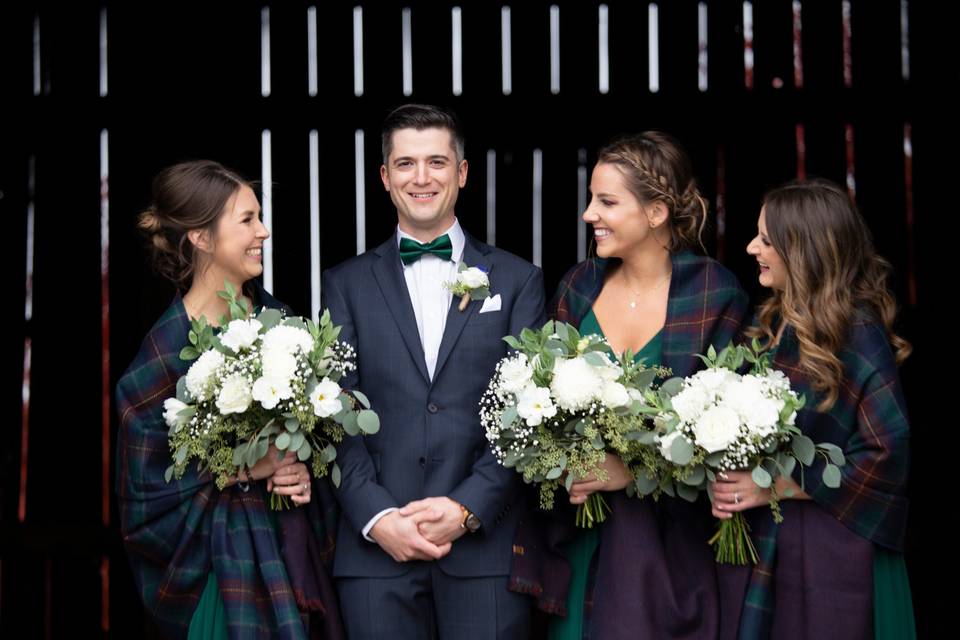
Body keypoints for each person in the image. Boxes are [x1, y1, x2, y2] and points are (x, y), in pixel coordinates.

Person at [509, 132, 749, 639]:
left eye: (607, 201)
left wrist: (631, 471)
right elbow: (539, 405)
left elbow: (732, 434)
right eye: (590, 199)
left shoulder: (715, 293)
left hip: (674, 553)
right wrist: (568, 464)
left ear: (657, 212)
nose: (589, 214)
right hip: (578, 545)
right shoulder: (578, 285)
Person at [321, 104, 544, 639]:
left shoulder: (518, 280)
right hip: (376, 557)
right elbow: (334, 410)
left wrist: (468, 507)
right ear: (385, 176)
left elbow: (530, 416)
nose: (421, 178)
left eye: (437, 162)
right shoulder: (344, 283)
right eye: (405, 164)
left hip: (485, 554)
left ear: (462, 173)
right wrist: (377, 518)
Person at [116, 160, 344, 638]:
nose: (263, 231)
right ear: (200, 237)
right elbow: (144, 504)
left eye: (259, 217)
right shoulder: (163, 351)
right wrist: (245, 468)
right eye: (247, 220)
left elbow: (324, 443)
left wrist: (302, 472)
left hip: (291, 561)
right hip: (219, 578)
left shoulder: (282, 322)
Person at [713, 178, 915, 639]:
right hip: (772, 543)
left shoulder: (858, 334)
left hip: (836, 550)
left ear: (802, 249)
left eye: (766, 239)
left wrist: (780, 486)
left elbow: (888, 452)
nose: (750, 248)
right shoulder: (771, 325)